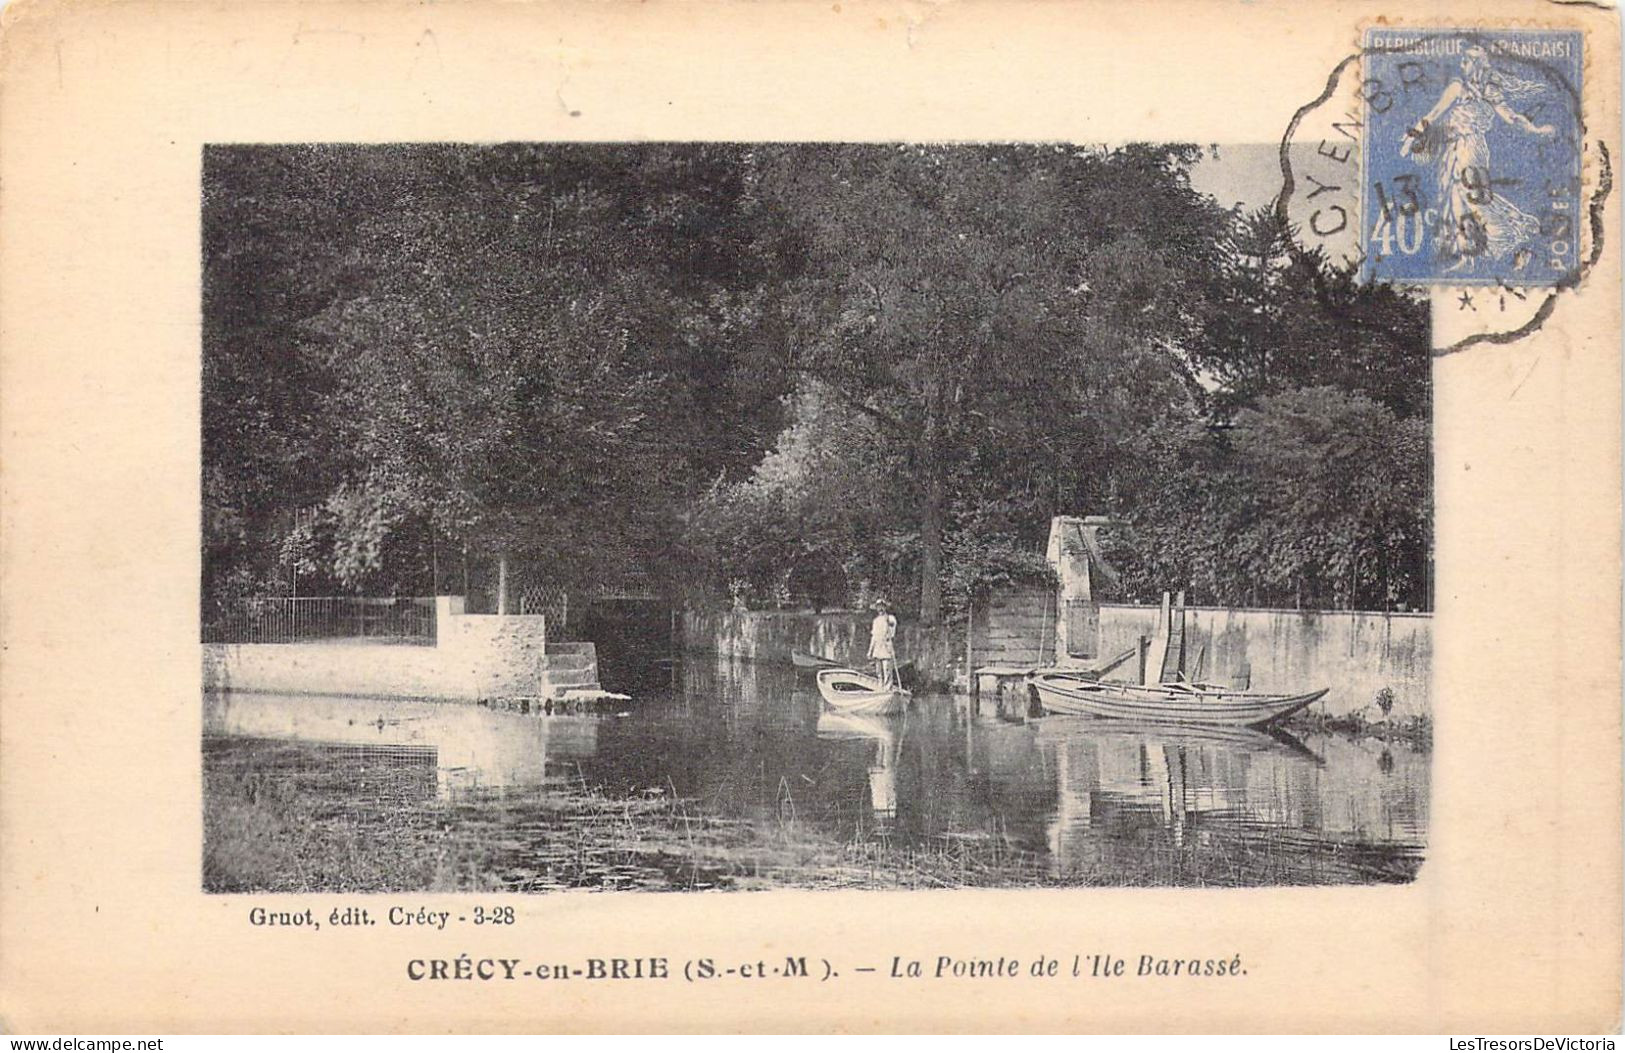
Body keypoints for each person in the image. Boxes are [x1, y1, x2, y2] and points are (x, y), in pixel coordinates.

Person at [1400, 46, 1557, 272]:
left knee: (1467, 196)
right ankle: (1472, 250)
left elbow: (1511, 117)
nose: (1461, 66)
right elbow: (1434, 116)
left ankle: (1482, 247)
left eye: (1465, 62)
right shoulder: (1462, 88)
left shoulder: (1477, 90)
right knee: (1461, 196)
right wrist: (1412, 136)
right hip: (1460, 147)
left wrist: (1535, 130)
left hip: (1467, 148)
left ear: (1475, 64)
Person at [867, 598, 899, 689]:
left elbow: (893, 627)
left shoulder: (890, 618)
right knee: (878, 671)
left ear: (885, 608)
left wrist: (888, 622)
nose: (880, 609)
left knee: (887, 670)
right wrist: (870, 650)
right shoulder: (875, 621)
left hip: (886, 648)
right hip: (877, 648)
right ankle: (880, 689)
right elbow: (873, 637)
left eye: (882, 607)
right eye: (878, 607)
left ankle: (887, 689)